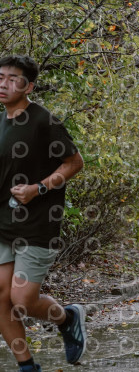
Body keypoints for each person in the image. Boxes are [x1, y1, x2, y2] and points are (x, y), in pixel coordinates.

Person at [0, 55, 86, 372]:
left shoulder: (43, 121)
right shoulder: (1, 122)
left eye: (13, 79)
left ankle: (67, 318)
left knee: (22, 299)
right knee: (0, 297)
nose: (4, 84)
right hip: (3, 223)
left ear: (29, 86)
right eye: (0, 77)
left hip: (37, 223)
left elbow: (74, 163)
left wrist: (38, 188)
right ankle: (27, 367)